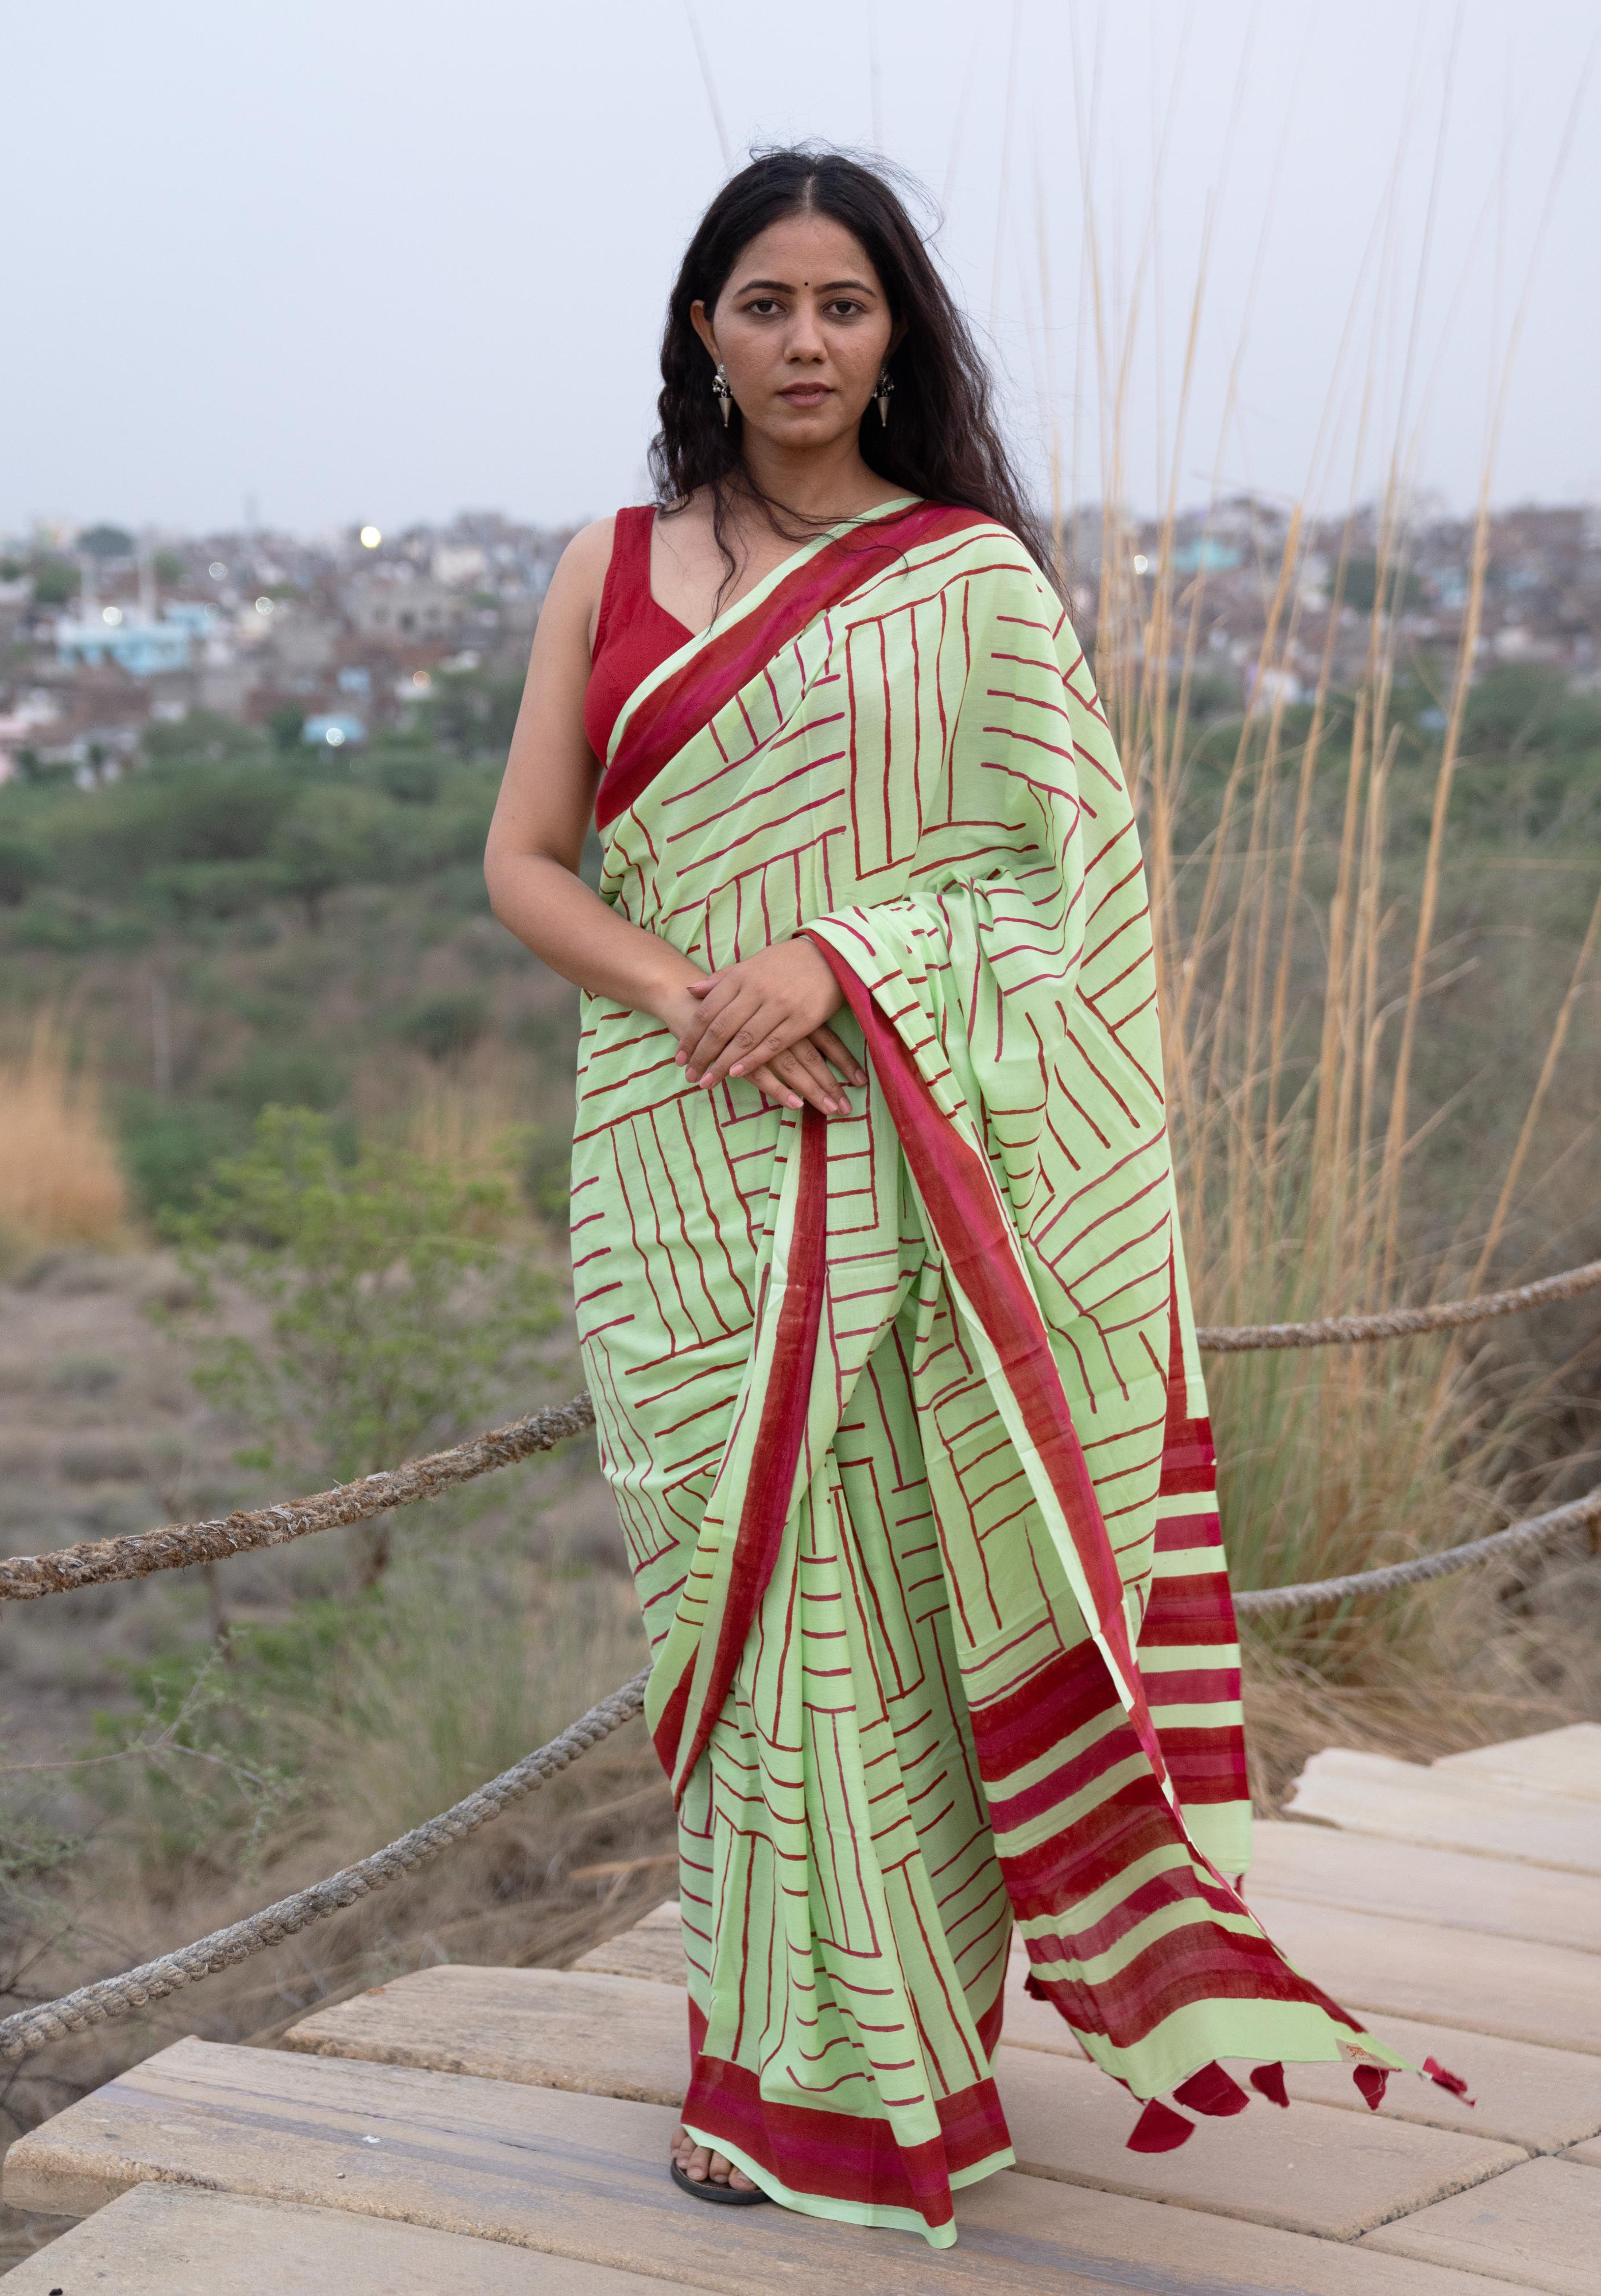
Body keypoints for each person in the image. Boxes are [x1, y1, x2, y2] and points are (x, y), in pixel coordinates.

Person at [486, 146, 1417, 2251]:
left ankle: (893, 2079)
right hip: (680, 1170)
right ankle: (768, 2070)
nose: (804, 343)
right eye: (763, 303)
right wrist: (704, 992)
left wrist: (851, 963)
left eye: (842, 304)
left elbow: (1064, 891)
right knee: (741, 1618)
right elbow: (528, 858)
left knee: (896, 1624)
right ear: (700, 329)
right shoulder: (611, 564)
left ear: (894, 330)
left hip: (928, 1165)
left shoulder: (974, 579)